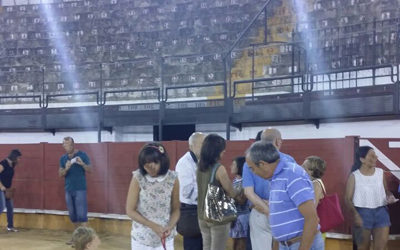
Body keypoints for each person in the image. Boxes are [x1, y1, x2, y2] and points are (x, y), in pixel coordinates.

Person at [246, 141, 323, 250]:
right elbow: (279, 218)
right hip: (287, 245)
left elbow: (312, 218)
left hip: (300, 244)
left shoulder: (292, 174)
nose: (253, 173)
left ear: (262, 164)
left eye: (252, 168)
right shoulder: (275, 178)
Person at [243, 128, 295, 250]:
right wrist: (274, 207)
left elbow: (248, 192)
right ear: (278, 141)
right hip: (283, 211)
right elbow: (293, 191)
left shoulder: (249, 161)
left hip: (259, 210)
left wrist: (267, 210)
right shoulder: (289, 161)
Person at [126, 142, 180, 250]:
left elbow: (176, 209)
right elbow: (130, 210)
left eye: (154, 164)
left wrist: (170, 226)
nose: (150, 168)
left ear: (162, 161)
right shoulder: (138, 177)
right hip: (142, 239)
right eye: (146, 165)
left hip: (165, 238)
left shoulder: (172, 178)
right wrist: (152, 225)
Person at [345, 146, 395, 250]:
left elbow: (386, 190)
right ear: (362, 159)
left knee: (381, 248)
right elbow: (347, 199)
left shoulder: (380, 173)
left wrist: (390, 196)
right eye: (371, 156)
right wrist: (356, 214)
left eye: (375, 155)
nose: (375, 158)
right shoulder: (354, 176)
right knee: (363, 247)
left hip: (382, 212)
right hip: (362, 213)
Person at [197, 134, 241, 250]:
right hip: (217, 216)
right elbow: (231, 192)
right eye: (222, 149)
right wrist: (240, 189)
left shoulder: (199, 167)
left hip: (202, 215)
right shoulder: (219, 168)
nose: (224, 151)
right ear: (217, 151)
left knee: (206, 246)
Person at [175, 132, 205, 250]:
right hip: (191, 212)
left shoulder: (202, 161)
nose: (205, 147)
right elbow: (187, 191)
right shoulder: (184, 163)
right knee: (193, 245)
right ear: (191, 146)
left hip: (202, 210)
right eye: (202, 144)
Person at [59, 137, 91, 244]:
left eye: (68, 144)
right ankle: (77, 238)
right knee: (73, 215)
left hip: (80, 188)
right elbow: (60, 174)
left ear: (73, 144)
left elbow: (90, 170)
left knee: (82, 215)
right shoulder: (63, 158)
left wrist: (82, 164)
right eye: (64, 144)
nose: (67, 146)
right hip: (69, 189)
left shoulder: (82, 155)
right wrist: (66, 168)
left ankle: (86, 240)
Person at [230, 156, 250, 250]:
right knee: (235, 243)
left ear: (239, 167)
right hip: (235, 216)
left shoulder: (245, 181)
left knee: (242, 243)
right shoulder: (235, 181)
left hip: (242, 216)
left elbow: (242, 201)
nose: (231, 166)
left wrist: (229, 193)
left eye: (234, 164)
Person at [0, 149, 22, 232]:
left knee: (10, 207)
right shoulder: (3, 163)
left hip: (7, 189)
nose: (19, 160)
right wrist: (1, 186)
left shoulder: (12, 164)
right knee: (1, 207)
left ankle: (10, 226)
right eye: (18, 158)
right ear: (14, 157)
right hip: (1, 189)